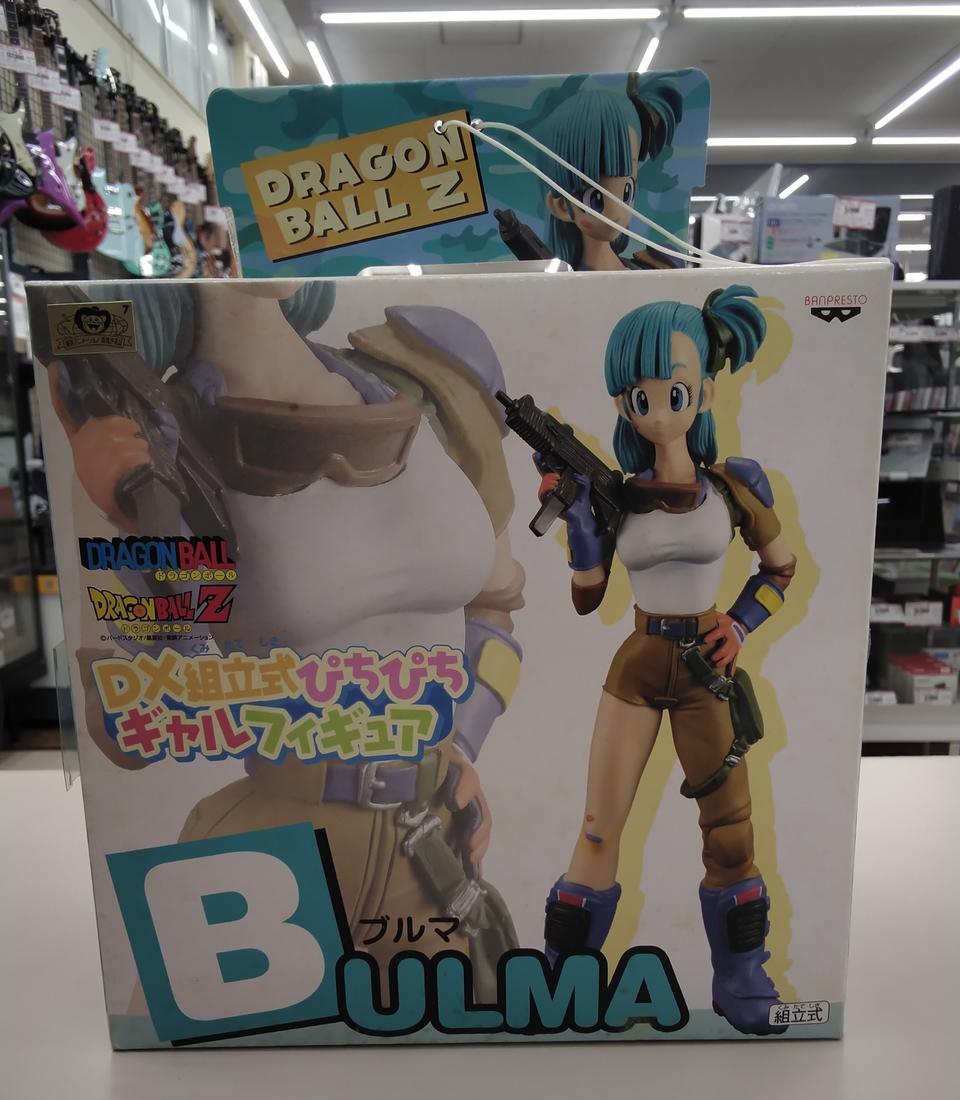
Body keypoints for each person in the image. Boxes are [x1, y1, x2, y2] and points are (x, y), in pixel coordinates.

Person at [44, 280, 525, 1000]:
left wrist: (456, 745)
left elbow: (493, 604)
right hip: (270, 858)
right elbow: (128, 725)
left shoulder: (431, 373)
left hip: (427, 837)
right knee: (220, 1065)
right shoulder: (147, 447)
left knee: (465, 1047)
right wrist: (134, 525)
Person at [539, 284, 798, 1035]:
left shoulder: (734, 485)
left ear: (704, 393)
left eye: (673, 393)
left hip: (707, 668)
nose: (656, 411)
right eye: (639, 398)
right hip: (638, 664)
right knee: (598, 828)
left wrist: (740, 625)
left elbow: (779, 569)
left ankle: (742, 977)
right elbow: (588, 597)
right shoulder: (616, 496)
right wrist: (580, 525)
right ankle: (562, 975)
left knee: (730, 832)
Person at [538, 77, 683, 272]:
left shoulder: (657, 264)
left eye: (627, 191)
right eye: (595, 199)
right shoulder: (566, 285)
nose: (616, 211)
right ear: (562, 206)